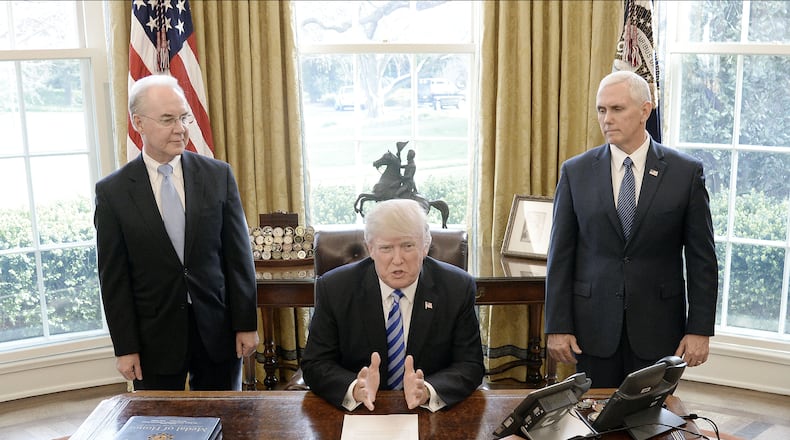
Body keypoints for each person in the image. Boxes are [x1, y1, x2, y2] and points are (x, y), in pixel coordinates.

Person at [544, 70, 718, 388]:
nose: (607, 119)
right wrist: (557, 324)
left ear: (645, 111)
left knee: (652, 425)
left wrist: (700, 329)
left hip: (659, 327)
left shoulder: (685, 173)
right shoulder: (575, 172)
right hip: (592, 329)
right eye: (601, 109)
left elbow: (702, 260)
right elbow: (560, 256)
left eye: (617, 109)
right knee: (594, 425)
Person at [94, 74, 259, 391]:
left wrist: (246, 324)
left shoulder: (217, 175)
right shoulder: (113, 192)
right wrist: (125, 346)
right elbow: (113, 278)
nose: (181, 128)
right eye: (168, 119)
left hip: (217, 328)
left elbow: (238, 259)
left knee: (227, 422)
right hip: (153, 336)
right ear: (139, 123)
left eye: (184, 117)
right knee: (159, 428)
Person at [301, 199, 484, 411]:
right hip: (360, 413)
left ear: (425, 246)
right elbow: (315, 364)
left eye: (408, 246)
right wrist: (354, 388)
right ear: (370, 249)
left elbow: (470, 365)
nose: (397, 260)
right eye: (386, 248)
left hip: (428, 412)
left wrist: (427, 390)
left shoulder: (457, 287)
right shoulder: (335, 288)